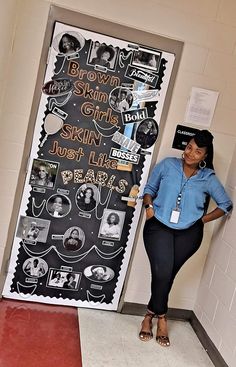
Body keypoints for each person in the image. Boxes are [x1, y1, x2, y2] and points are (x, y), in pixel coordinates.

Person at [139, 130, 233, 347]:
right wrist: (149, 208)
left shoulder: (208, 178)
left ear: (204, 157)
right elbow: (150, 189)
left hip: (189, 234)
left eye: (197, 151)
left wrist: (201, 220)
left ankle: (149, 314)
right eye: (189, 147)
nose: (190, 153)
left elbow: (225, 205)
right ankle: (161, 317)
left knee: (168, 275)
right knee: (162, 272)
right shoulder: (167, 165)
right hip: (158, 227)